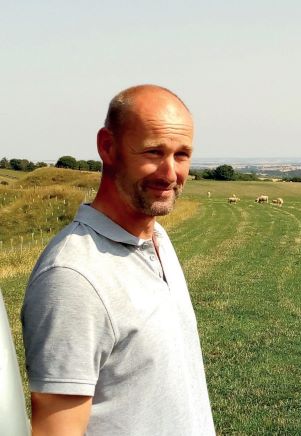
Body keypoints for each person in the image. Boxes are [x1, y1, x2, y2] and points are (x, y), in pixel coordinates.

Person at [21, 85, 215, 435]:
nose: (170, 173)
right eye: (154, 152)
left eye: (182, 155)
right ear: (108, 147)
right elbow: (57, 429)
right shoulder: (73, 276)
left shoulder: (157, 239)